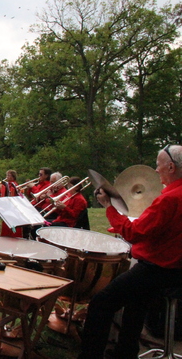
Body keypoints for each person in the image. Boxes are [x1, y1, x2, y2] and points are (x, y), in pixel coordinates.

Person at [78, 144, 182, 359]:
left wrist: (108, 206)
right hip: (175, 269)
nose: (156, 170)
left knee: (101, 303)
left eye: (158, 165)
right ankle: (125, 352)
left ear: (171, 167)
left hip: (159, 270)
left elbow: (133, 233)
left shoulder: (170, 199)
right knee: (136, 306)